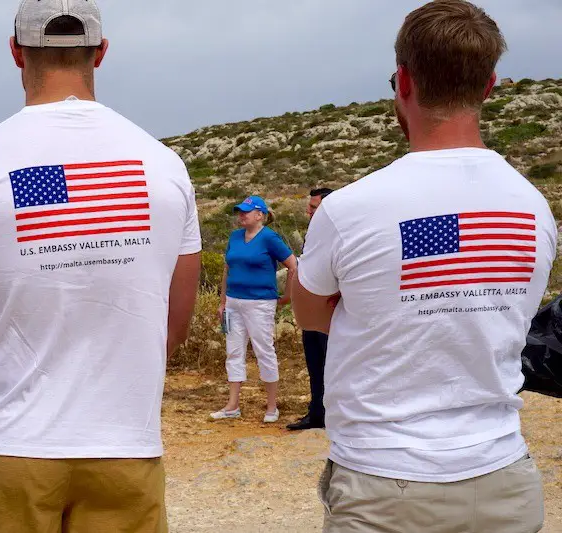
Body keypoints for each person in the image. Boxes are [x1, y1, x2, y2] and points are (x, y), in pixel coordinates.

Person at [0, 1, 201, 531]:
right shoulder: (165, 168)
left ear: (14, 52)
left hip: (8, 447)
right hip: (126, 448)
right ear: (101, 53)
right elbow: (173, 325)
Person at [293, 2, 555, 531]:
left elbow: (311, 316)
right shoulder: (532, 207)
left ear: (404, 81)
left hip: (384, 483)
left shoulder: (350, 207)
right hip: (504, 477)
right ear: (489, 87)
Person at [211, 196, 296, 424]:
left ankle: (271, 406)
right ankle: (232, 405)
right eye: (239, 211)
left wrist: (287, 296)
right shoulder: (235, 237)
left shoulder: (269, 238)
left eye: (246, 212)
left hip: (259, 303)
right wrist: (222, 302)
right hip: (234, 301)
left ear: (260, 215)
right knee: (234, 351)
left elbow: (292, 264)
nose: (241, 215)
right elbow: (227, 269)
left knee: (264, 350)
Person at [288, 187, 332, 431]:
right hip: (312, 309)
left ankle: (334, 414)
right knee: (314, 363)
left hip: (330, 312)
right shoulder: (312, 235)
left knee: (332, 363)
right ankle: (317, 413)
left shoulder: (338, 234)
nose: (308, 210)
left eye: (313, 207)